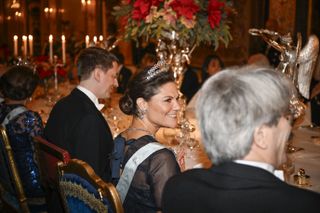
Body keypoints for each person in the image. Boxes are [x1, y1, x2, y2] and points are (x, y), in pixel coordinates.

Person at [163, 65, 320, 213]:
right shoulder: (305, 206)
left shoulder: (177, 188)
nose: (289, 126)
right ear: (260, 136)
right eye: (286, 117)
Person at [112, 60, 181, 213]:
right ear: (142, 104)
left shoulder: (120, 139)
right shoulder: (161, 159)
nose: (177, 106)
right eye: (168, 100)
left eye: (177, 98)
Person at [44, 47, 119, 181]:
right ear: (98, 74)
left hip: (59, 186)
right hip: (80, 196)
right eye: (113, 76)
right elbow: (90, 181)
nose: (116, 83)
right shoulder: (89, 119)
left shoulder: (63, 103)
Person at [0, 65, 47, 211]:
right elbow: (41, 154)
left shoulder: (1, 108)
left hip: (6, 181)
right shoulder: (29, 118)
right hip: (31, 188)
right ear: (30, 92)